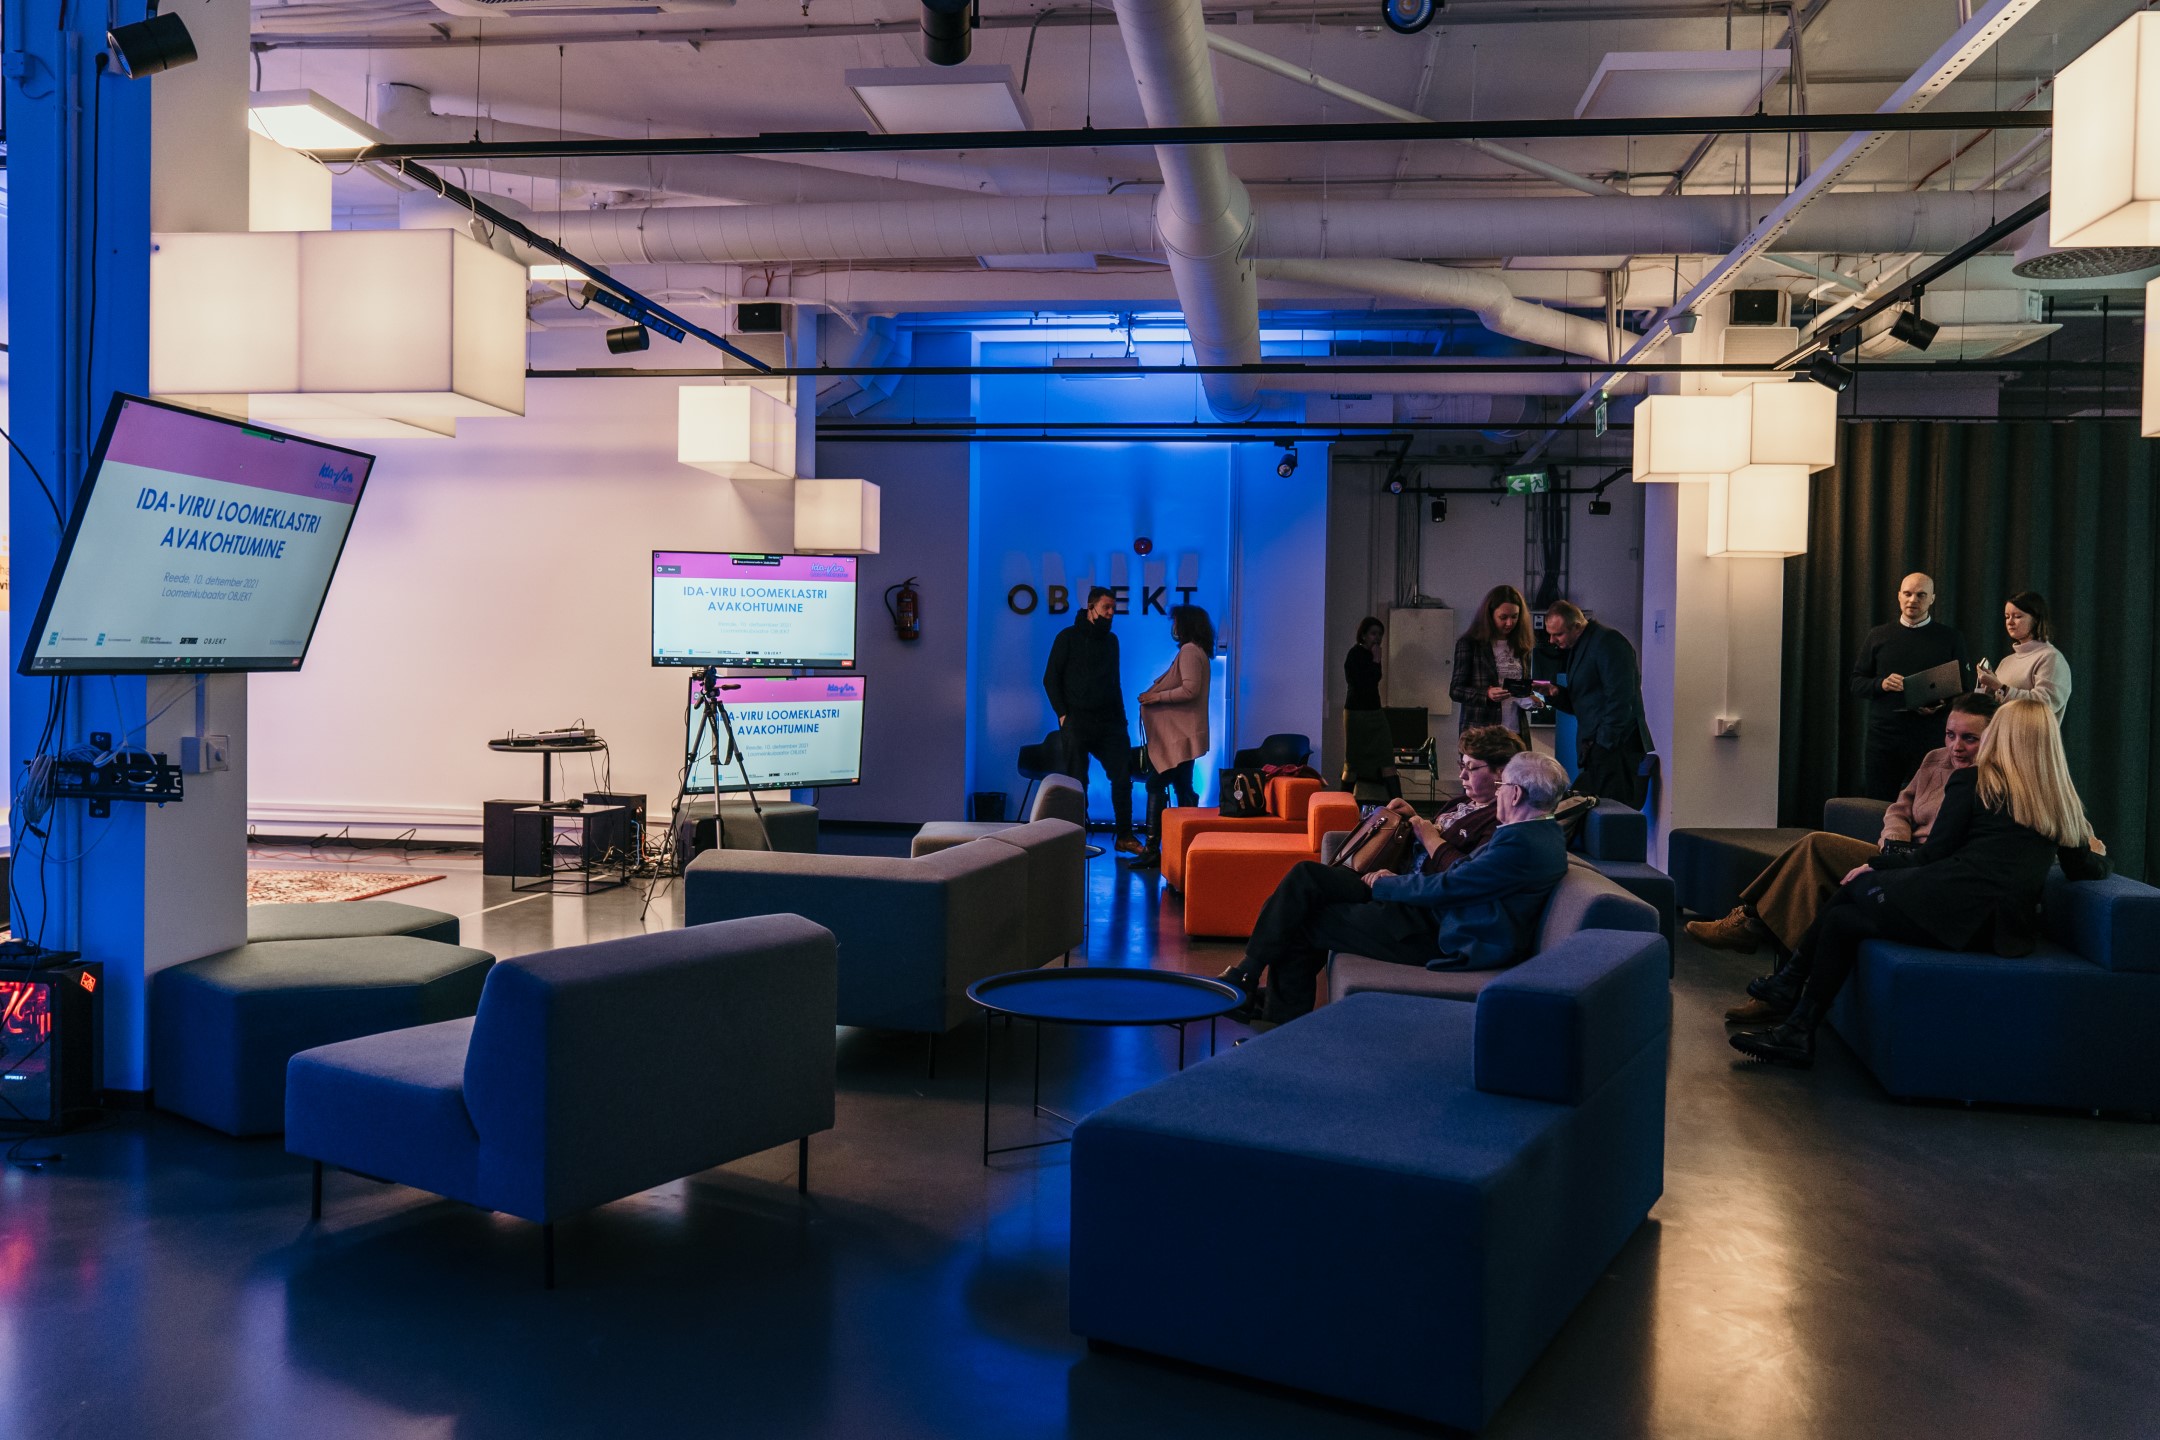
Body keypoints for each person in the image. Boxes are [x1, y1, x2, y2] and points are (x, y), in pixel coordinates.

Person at [1731, 699, 2108, 1069]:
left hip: (1951, 905)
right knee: (1844, 920)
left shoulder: (1976, 781)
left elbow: (1933, 855)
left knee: (1854, 889)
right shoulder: (2060, 803)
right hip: (2000, 929)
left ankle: (1789, 991)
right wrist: (2102, 858)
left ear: (2003, 735)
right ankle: (1797, 1024)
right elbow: (2083, 869)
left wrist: (1875, 864)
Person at [1694, 692, 1998, 1024]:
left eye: (1969, 739)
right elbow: (1899, 809)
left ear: (1993, 737)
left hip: (1928, 869)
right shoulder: (1935, 759)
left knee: (1815, 858)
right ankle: (1768, 960)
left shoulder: (1992, 780)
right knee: (1813, 855)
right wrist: (1894, 840)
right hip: (1897, 853)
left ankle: (1755, 930)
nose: (1956, 747)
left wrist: (1904, 857)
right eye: (1950, 735)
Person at [1225, 751, 1572, 1024]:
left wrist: (1387, 884)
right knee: (1307, 878)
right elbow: (1465, 876)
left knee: (1309, 922)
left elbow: (1452, 885)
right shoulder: (1539, 834)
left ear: (1515, 793)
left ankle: (1272, 1009)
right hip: (1436, 916)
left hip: (1440, 933)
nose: (1498, 792)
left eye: (1501, 786)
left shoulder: (1521, 843)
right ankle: (1253, 984)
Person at [1849, 572, 1969, 801]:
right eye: (1907, 594)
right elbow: (1856, 683)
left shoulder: (1951, 638)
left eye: (1921, 595)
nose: (1913, 600)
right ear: (1899, 596)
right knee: (1877, 803)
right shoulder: (1878, 635)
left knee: (1926, 802)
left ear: (1932, 599)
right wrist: (1881, 684)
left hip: (1929, 737)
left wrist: (1940, 705)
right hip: (1884, 738)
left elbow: (1964, 689)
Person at [1043, 587, 1141, 856]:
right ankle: (1077, 839)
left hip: (1110, 722)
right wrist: (1063, 715)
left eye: (1113, 608)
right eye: (1106, 607)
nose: (1111, 613)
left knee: (1122, 776)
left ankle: (1124, 836)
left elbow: (1115, 683)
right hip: (1077, 720)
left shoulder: (1112, 641)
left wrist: (1122, 721)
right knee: (1078, 781)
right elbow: (1050, 678)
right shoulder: (1067, 637)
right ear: (1091, 607)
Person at [1532, 600, 1651, 808]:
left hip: (1615, 749)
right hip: (1599, 748)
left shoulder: (1608, 642)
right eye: (1550, 634)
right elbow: (1584, 702)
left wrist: (1603, 744)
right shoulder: (1582, 646)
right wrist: (1554, 693)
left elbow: (1621, 699)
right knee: (1600, 813)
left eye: (1558, 634)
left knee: (1613, 813)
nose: (1552, 640)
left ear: (1577, 626)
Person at [1130, 605, 1214, 868]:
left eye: (1175, 621)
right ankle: (1186, 845)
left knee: (1156, 785)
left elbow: (1189, 690)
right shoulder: (1198, 652)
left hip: (1180, 737)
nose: (1173, 627)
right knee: (1182, 787)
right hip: (1186, 736)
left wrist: (1156, 697)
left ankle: (1153, 848)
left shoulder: (1189, 651)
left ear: (1185, 624)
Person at [1449, 584, 1536, 735]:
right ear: (1489, 615)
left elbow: (1522, 687)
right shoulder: (1470, 643)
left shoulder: (1522, 645)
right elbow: (1456, 690)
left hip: (1515, 731)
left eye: (1515, 616)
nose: (1509, 623)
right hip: (1481, 733)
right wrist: (1486, 694)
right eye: (1503, 617)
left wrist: (1531, 698)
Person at [1976, 589, 2071, 719]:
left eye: (2017, 616)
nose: (2010, 622)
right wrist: (1987, 692)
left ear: (2036, 619)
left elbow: (2043, 704)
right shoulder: (2006, 661)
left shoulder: (2051, 658)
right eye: (2007, 617)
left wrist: (1999, 687)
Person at [1342, 616, 1398, 799]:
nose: (1377, 638)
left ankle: (1400, 807)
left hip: (1374, 711)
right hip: (1356, 713)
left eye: (1380, 634)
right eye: (1373, 633)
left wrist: (1376, 659)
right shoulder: (1355, 654)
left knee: (1386, 757)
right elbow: (1363, 682)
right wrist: (1375, 659)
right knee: (1353, 761)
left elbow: (1374, 681)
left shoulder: (1374, 654)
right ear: (1364, 635)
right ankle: (1343, 804)